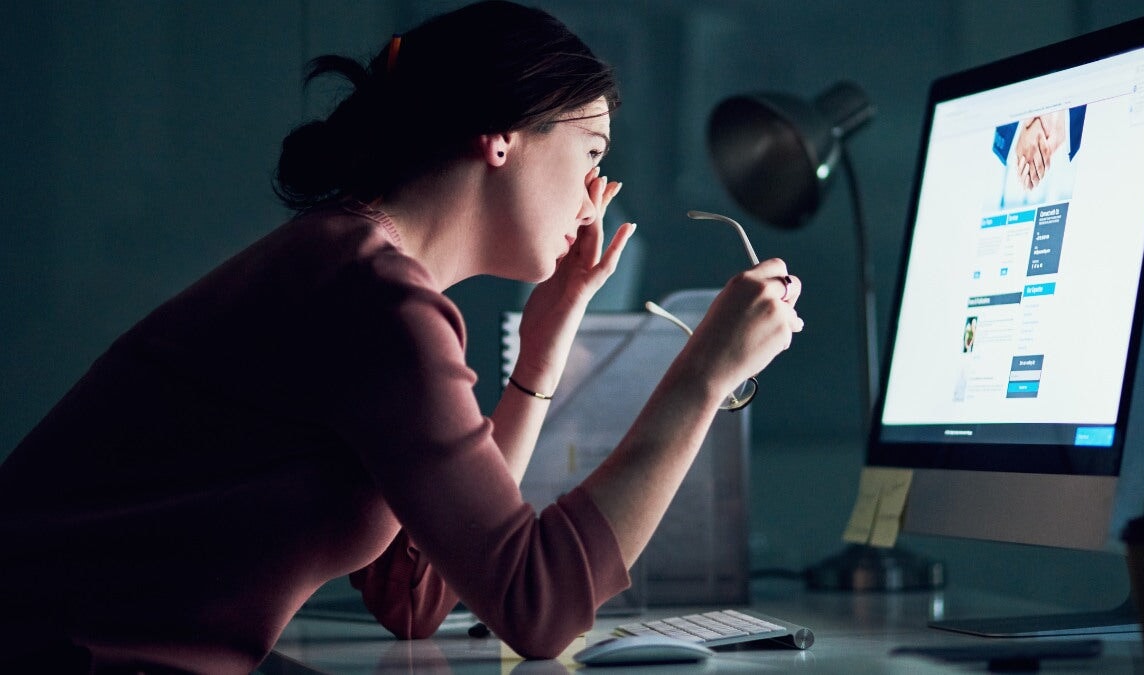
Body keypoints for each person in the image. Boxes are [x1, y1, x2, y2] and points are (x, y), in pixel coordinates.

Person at [0, 1, 803, 672]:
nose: (596, 199)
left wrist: (542, 347)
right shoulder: (375, 297)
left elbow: (414, 597)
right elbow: (539, 608)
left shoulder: (356, 269)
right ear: (503, 137)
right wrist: (702, 373)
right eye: (590, 154)